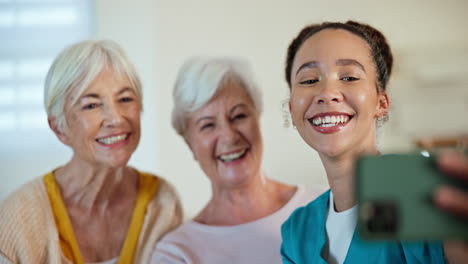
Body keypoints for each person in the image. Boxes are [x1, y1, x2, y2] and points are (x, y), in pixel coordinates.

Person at [280, 21, 456, 263]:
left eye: (350, 77)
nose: (327, 92)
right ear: (292, 108)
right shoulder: (297, 232)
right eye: (309, 80)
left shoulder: (423, 194)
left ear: (381, 103)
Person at [0, 40, 182, 264]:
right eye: (91, 105)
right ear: (59, 127)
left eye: (125, 99)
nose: (116, 119)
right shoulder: (18, 218)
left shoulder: (162, 203)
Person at [151, 57, 324, 264]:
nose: (229, 136)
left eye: (239, 116)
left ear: (257, 117)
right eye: (208, 125)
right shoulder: (176, 252)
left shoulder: (325, 206)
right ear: (190, 144)